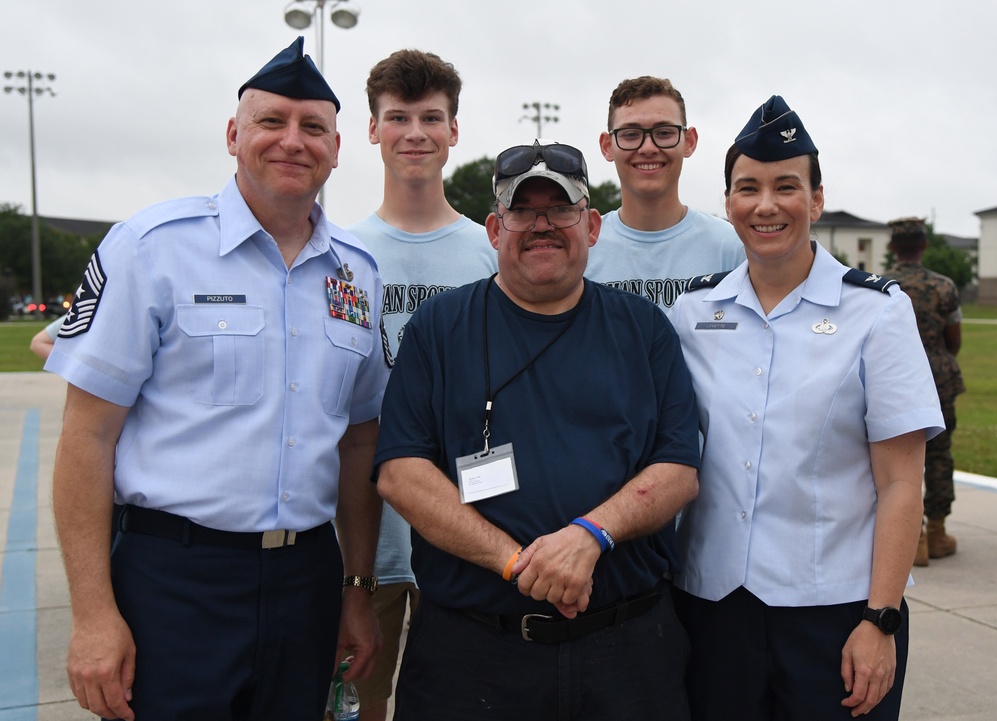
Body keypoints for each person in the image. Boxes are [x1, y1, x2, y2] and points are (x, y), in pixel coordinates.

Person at [44, 37, 388, 721]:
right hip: (174, 579)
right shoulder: (151, 248)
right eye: (272, 122)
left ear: (337, 148)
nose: (293, 141)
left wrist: (355, 587)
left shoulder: (358, 274)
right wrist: (92, 613)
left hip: (306, 580)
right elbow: (86, 436)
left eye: (313, 127)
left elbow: (359, 442)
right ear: (234, 135)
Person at [374, 140, 701, 720]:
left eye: (562, 209)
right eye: (523, 211)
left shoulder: (644, 329)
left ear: (593, 226)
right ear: (495, 229)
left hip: (627, 653)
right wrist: (517, 562)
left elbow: (677, 470)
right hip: (471, 654)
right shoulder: (437, 330)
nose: (542, 225)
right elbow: (401, 473)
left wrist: (588, 537)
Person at [667, 96, 944, 721]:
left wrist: (881, 618)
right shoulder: (693, 313)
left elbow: (902, 482)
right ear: (730, 203)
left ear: (816, 201)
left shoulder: (876, 312)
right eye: (748, 188)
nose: (766, 205)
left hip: (837, 614)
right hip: (713, 610)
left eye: (786, 186)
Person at [346, 48, 496, 721]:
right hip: (364, 536)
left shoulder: (488, 251)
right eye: (397, 116)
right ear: (373, 129)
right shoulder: (341, 253)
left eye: (430, 117)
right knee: (358, 703)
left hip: (467, 524)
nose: (415, 131)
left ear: (454, 131)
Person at [587, 76, 744, 311]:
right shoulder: (584, 250)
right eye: (630, 134)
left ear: (689, 141)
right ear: (607, 146)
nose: (648, 148)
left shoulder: (731, 247)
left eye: (664, 133)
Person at [888, 217, 965, 565]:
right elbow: (954, 340)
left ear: (892, 247)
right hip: (938, 377)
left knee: (897, 460)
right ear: (924, 245)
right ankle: (936, 532)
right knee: (938, 456)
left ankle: (913, 538)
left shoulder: (882, 285)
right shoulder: (944, 286)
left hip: (892, 380)